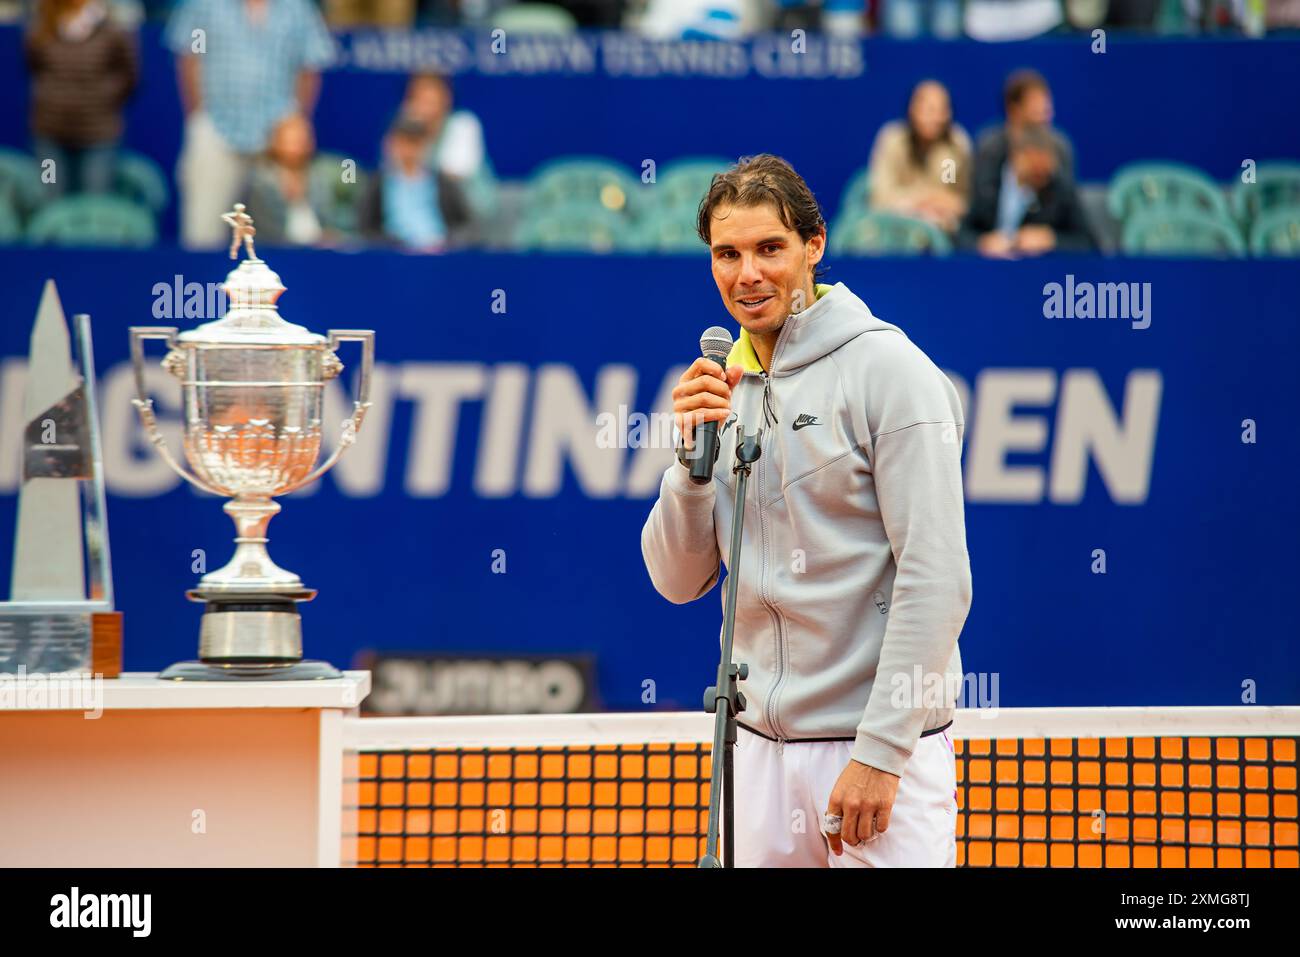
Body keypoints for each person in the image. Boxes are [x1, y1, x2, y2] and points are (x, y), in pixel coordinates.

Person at [641, 154, 971, 867]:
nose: (747, 274)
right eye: (727, 254)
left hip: (876, 752)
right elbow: (676, 579)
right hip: (755, 758)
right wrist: (688, 467)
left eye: (769, 248)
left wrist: (881, 753)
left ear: (814, 246)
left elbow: (937, 576)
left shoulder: (893, 372)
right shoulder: (724, 388)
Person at [165, 0, 335, 248]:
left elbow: (309, 66)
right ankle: (201, 286)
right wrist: (200, 115)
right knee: (201, 234)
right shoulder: (204, 5)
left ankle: (288, 286)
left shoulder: (298, 8)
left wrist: (292, 126)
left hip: (278, 138)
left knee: (291, 232)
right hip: (216, 130)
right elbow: (191, 56)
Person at [24, 0, 138, 199]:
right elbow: (34, 66)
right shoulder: (40, 28)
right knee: (49, 201)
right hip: (49, 135)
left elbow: (128, 74)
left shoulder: (112, 30)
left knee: (95, 205)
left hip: (99, 136)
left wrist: (102, 98)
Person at [962, 123, 1097, 256]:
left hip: (1036, 272)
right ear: (1015, 158)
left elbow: (1088, 243)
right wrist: (981, 242)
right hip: (984, 268)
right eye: (1034, 173)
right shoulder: (986, 181)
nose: (1040, 179)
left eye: (1044, 174)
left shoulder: (1059, 188)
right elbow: (961, 234)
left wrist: (1052, 240)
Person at [866, 79, 971, 235]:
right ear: (912, 109)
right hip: (894, 228)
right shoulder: (892, 141)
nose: (936, 117)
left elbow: (956, 200)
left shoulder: (954, 146)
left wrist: (933, 204)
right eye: (929, 109)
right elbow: (880, 199)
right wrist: (920, 203)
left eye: (942, 110)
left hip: (942, 232)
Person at [357, 113, 471, 252]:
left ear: (426, 144)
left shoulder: (443, 184)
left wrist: (449, 241)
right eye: (403, 142)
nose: (408, 151)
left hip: (440, 256)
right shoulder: (377, 183)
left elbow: (467, 224)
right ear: (390, 144)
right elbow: (365, 227)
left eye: (415, 142)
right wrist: (390, 242)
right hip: (395, 257)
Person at [972, 68, 1075, 199]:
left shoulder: (1060, 147)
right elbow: (982, 201)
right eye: (1036, 104)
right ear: (1013, 109)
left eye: (1046, 103)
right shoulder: (990, 147)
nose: (1044, 111)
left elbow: (1068, 201)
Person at [243, 113, 324, 247]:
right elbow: (267, 228)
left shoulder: (319, 176)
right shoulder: (261, 181)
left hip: (319, 248)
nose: (297, 146)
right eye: (291, 140)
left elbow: (329, 217)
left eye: (301, 139)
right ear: (276, 142)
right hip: (277, 250)